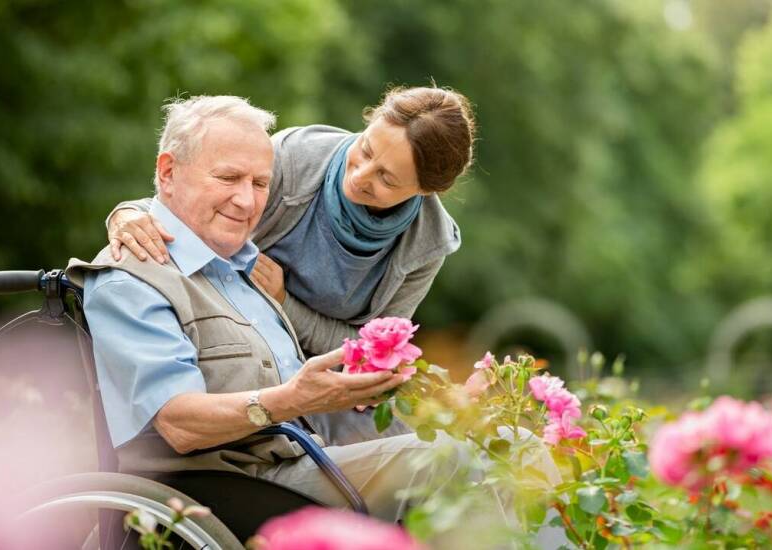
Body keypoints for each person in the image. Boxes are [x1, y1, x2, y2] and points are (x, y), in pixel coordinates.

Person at [66, 95, 442, 520]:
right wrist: (291, 400)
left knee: (503, 452)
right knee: (452, 464)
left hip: (306, 463)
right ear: (169, 172)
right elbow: (178, 423)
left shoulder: (242, 269)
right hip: (227, 491)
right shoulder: (131, 278)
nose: (247, 202)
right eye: (228, 178)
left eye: (260, 184)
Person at [105, 86, 475, 357]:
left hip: (321, 381)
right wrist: (129, 212)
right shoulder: (296, 158)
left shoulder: (426, 244)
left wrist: (284, 301)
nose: (361, 176)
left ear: (425, 191)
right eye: (364, 150)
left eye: (387, 179)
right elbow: (199, 198)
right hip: (230, 345)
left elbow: (372, 353)